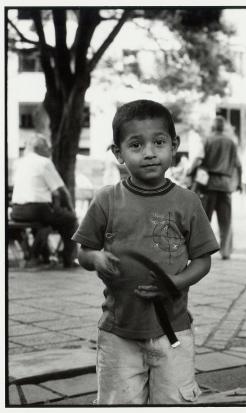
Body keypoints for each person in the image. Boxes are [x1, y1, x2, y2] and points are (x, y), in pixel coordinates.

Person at [72, 99, 220, 404]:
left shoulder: (188, 202)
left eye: (159, 142)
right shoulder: (106, 200)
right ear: (118, 153)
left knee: (173, 401)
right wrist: (96, 258)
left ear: (174, 145)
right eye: (136, 145)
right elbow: (83, 253)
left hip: (173, 330)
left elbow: (202, 261)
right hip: (118, 331)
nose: (150, 152)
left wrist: (176, 282)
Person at [10, 134, 79, 268]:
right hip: (36, 209)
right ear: (38, 148)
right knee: (70, 220)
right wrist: (71, 210)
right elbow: (62, 191)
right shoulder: (44, 162)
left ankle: (42, 256)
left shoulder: (18, 162)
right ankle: (68, 259)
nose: (50, 150)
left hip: (17, 210)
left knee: (45, 223)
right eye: (47, 147)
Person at [190, 116, 242, 260]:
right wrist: (239, 183)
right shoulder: (231, 142)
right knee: (226, 221)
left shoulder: (208, 140)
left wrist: (190, 172)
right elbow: (238, 165)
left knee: (205, 220)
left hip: (209, 185)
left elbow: (198, 159)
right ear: (224, 128)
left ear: (212, 127)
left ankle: (202, 250)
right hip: (226, 185)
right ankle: (225, 251)